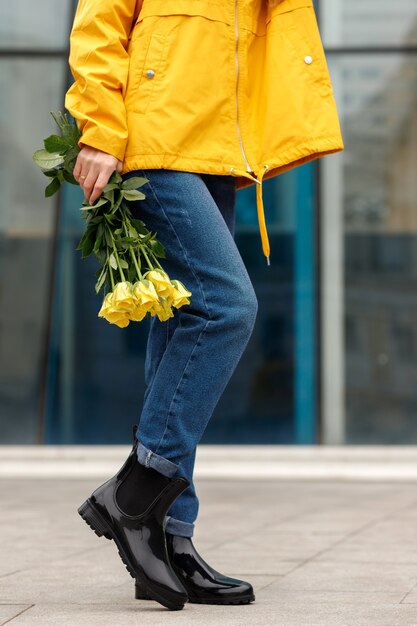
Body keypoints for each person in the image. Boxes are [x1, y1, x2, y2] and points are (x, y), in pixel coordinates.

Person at [65, 0, 344, 612]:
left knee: (181, 326)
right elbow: (98, 27)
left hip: (215, 149)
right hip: (155, 140)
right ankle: (135, 494)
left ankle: (170, 537)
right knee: (227, 308)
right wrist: (102, 130)